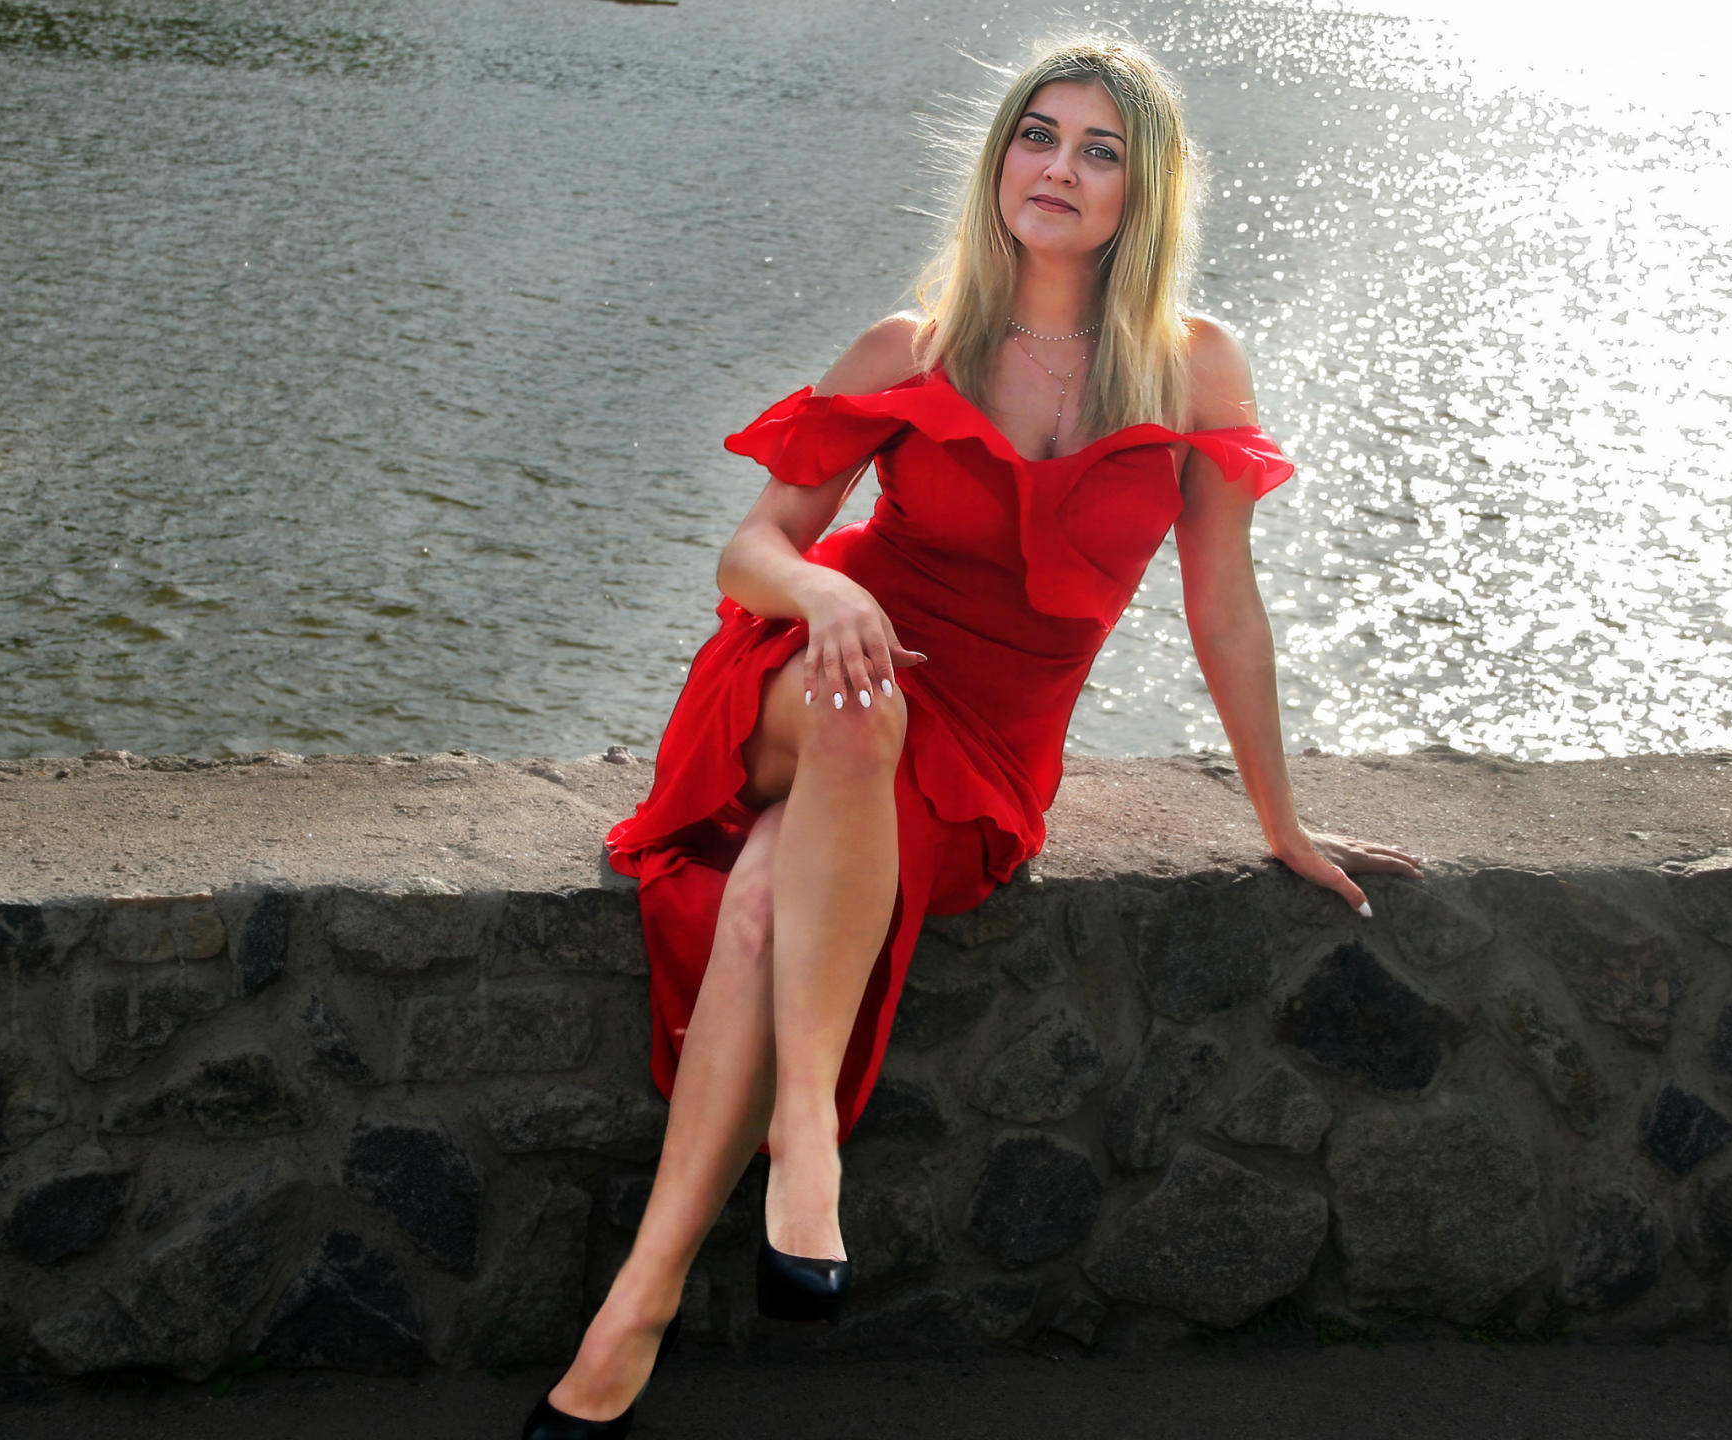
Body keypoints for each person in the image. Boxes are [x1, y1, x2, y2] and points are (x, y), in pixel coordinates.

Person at [520, 36, 1423, 1440]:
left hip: (985, 757)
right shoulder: (916, 346)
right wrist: (827, 590)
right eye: (1037, 136)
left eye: (1100, 150)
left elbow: (1226, 615)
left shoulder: (1192, 371)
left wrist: (1281, 822)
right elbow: (754, 549)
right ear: (1000, 160)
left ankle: (633, 1312)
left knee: (760, 904)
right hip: (813, 678)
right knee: (859, 708)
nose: (1059, 167)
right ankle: (804, 1138)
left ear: (1143, 191)